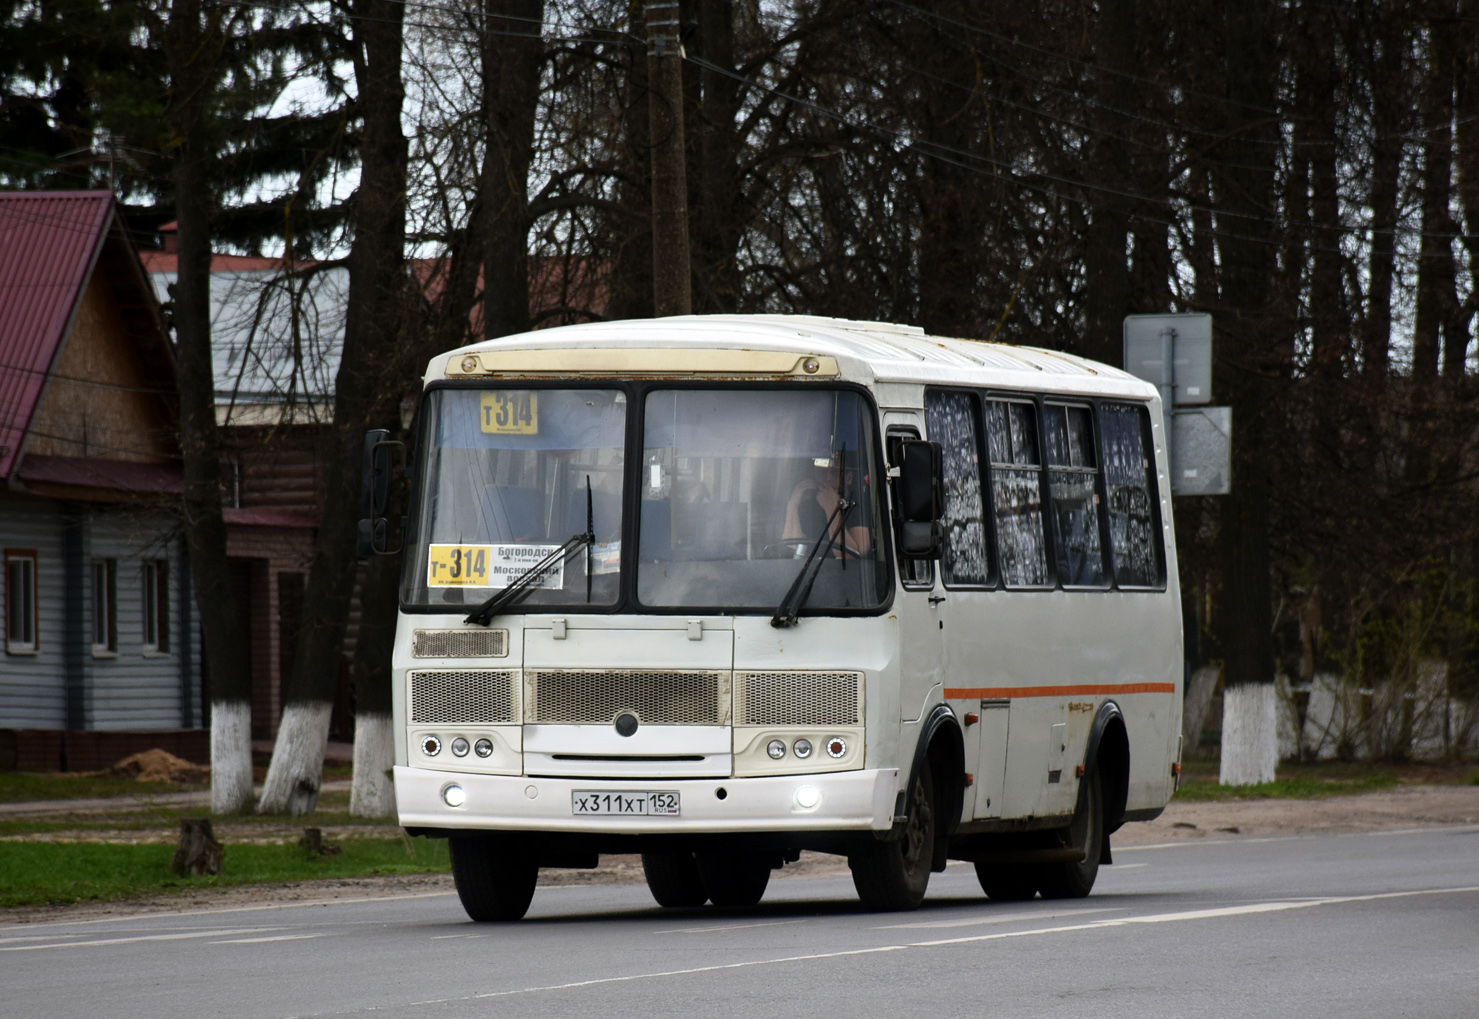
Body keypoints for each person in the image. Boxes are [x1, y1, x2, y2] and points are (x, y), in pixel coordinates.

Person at [781, 457, 871, 556]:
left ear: (848, 478)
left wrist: (832, 507)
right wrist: (793, 505)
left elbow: (853, 556)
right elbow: (790, 550)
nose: (827, 478)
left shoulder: (858, 506)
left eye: (834, 472)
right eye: (822, 472)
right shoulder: (808, 507)